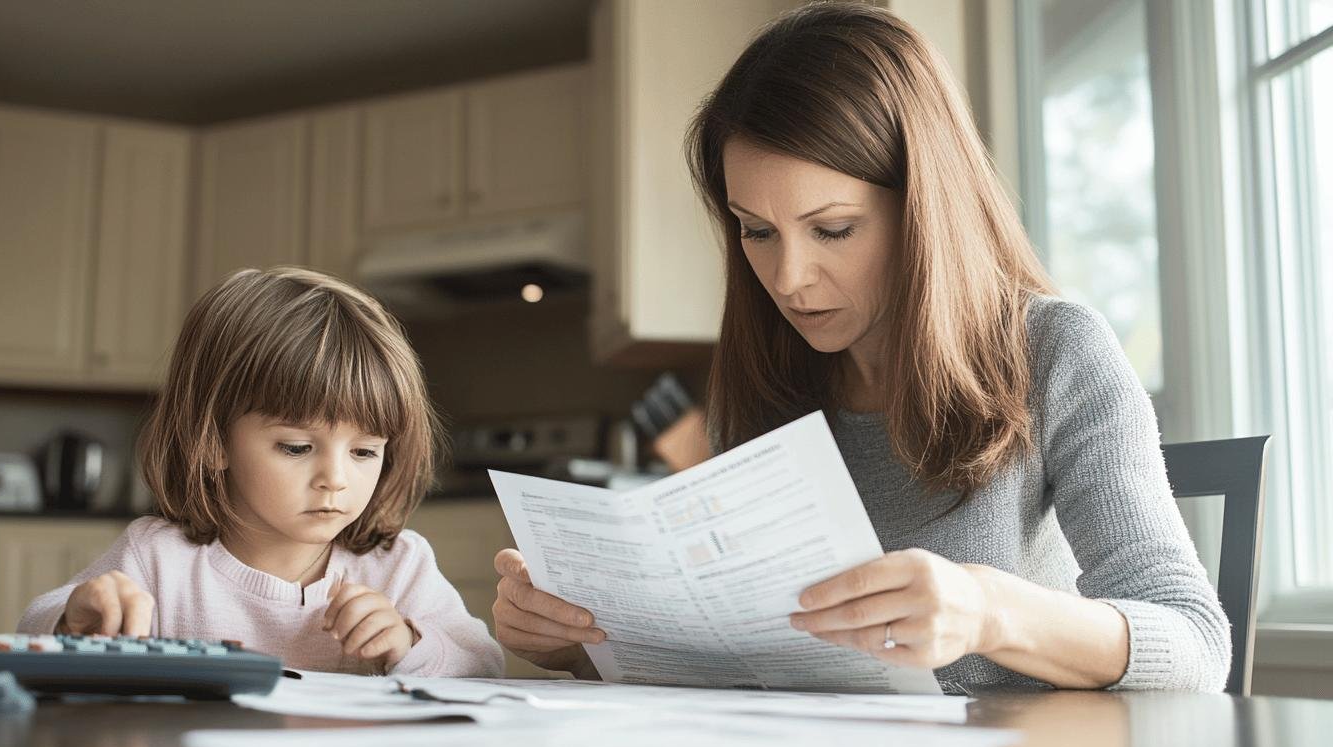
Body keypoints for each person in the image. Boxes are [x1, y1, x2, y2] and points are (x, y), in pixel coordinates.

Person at [491, 1, 1230, 692]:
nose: (788, 279)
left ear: (923, 208)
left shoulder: (1056, 350)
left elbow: (1195, 643)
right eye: (756, 230)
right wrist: (579, 643)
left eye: (833, 230)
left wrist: (987, 609)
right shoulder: (763, 381)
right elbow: (743, 663)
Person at [19, 267, 504, 678]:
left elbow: (483, 665)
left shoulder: (397, 566)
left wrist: (408, 643)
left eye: (364, 452)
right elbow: (30, 631)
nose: (335, 478)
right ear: (213, 440)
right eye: (296, 447)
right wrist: (74, 622)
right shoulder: (158, 559)